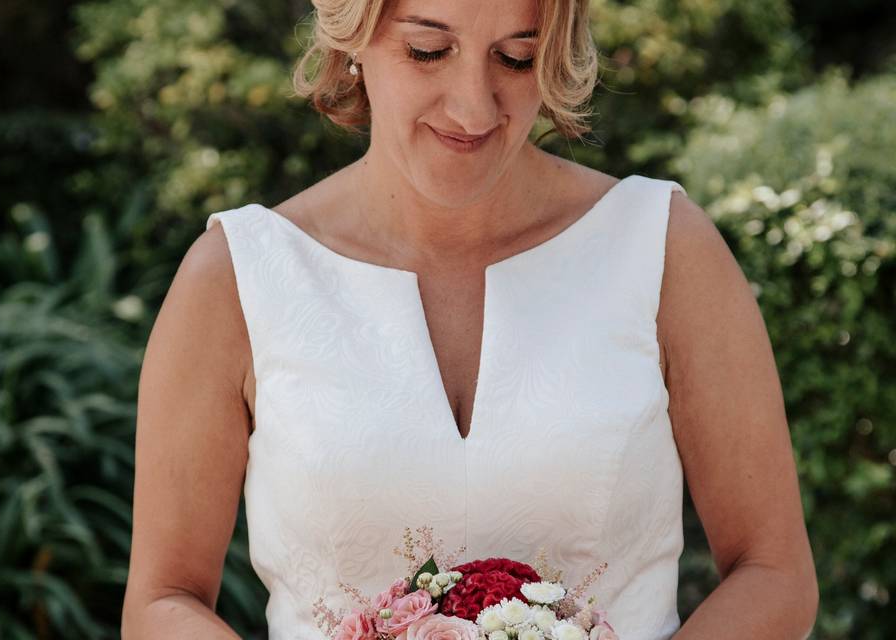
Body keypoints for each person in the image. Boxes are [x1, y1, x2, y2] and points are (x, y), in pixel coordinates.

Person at [120, 1, 818, 639]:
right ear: (354, 38)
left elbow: (774, 573)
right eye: (428, 50)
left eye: (516, 57)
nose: (473, 106)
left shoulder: (666, 247)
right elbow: (162, 600)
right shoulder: (235, 275)